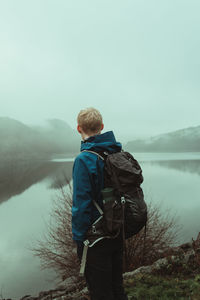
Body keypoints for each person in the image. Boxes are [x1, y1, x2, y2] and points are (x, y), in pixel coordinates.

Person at [72, 107, 128, 300]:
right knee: (117, 287)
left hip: (95, 239)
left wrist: (79, 239)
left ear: (79, 128)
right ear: (102, 127)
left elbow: (81, 205)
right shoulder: (116, 153)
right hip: (117, 230)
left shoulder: (84, 160)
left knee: (100, 293)